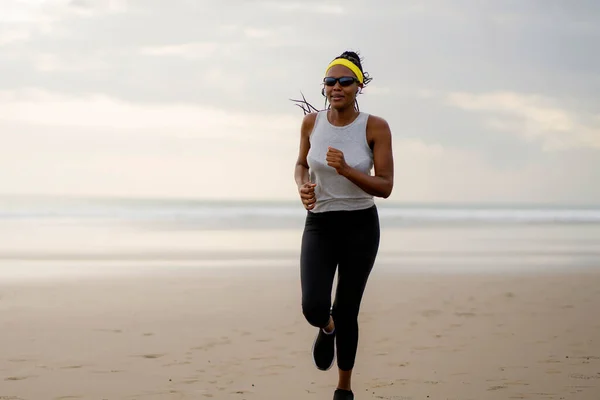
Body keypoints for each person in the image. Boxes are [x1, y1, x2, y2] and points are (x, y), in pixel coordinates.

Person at [293, 51, 395, 400]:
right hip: (320, 224)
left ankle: (343, 389)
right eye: (330, 82)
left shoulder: (375, 127)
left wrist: (348, 170)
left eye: (345, 81)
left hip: (360, 226)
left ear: (358, 86)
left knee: (348, 308)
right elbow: (300, 165)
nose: (336, 87)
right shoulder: (311, 124)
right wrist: (302, 187)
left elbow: (385, 186)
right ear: (324, 87)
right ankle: (327, 327)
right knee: (313, 306)